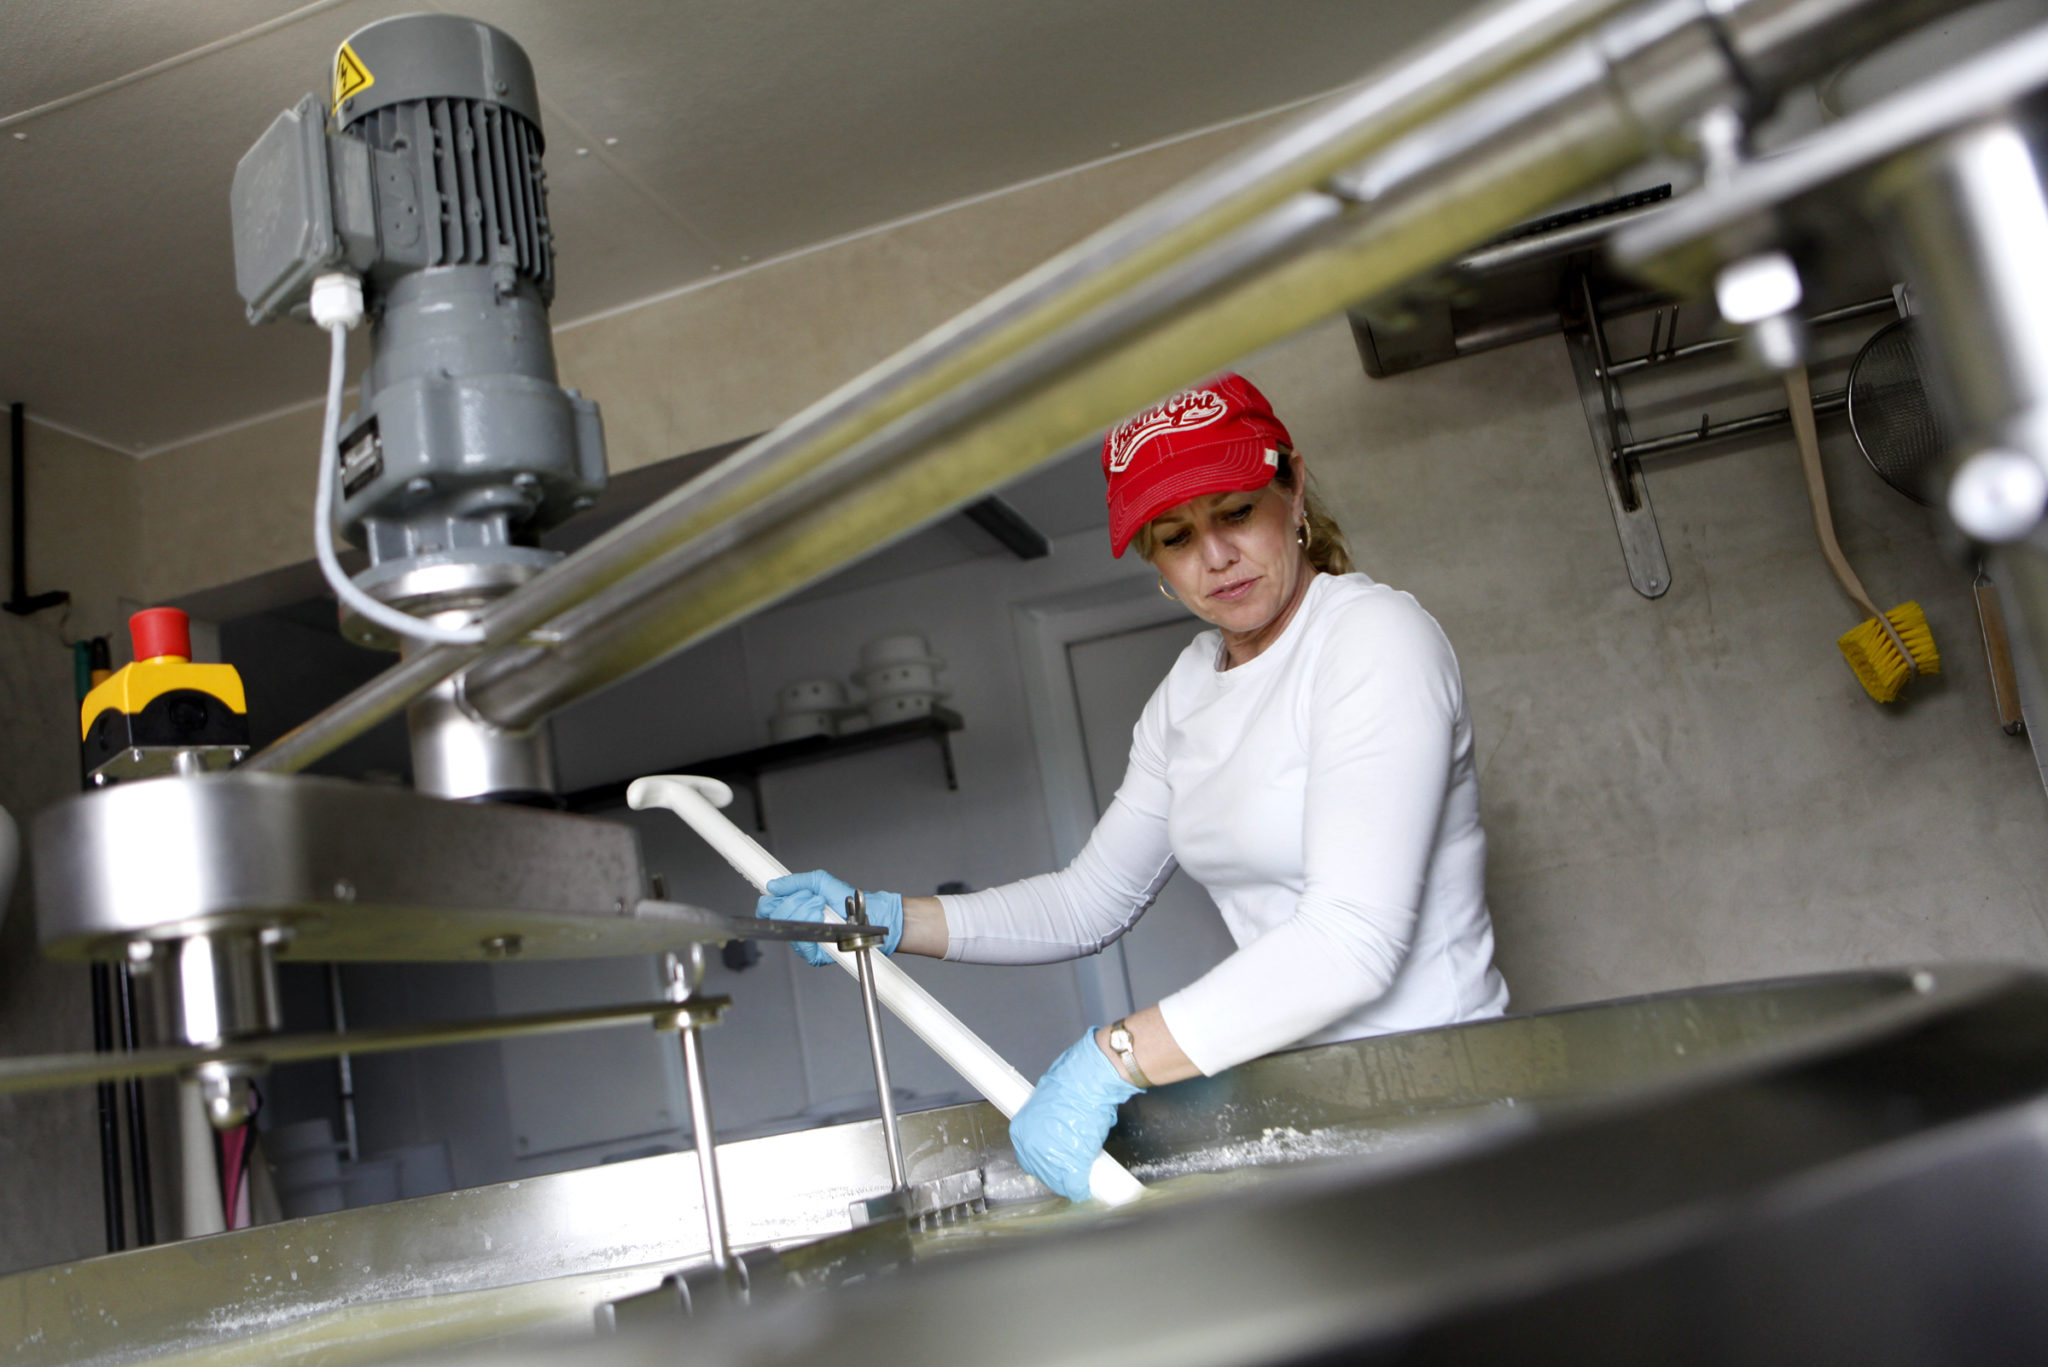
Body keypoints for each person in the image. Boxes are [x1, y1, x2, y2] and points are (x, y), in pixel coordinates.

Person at [760, 372, 1508, 1202]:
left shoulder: (1371, 637)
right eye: (1176, 535)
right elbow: (1087, 903)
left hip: (1445, 1103)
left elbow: (1351, 942)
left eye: (1234, 512)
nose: (1215, 557)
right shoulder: (1189, 690)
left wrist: (1112, 1057)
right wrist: (881, 918)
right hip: (1314, 1111)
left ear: (1291, 487)